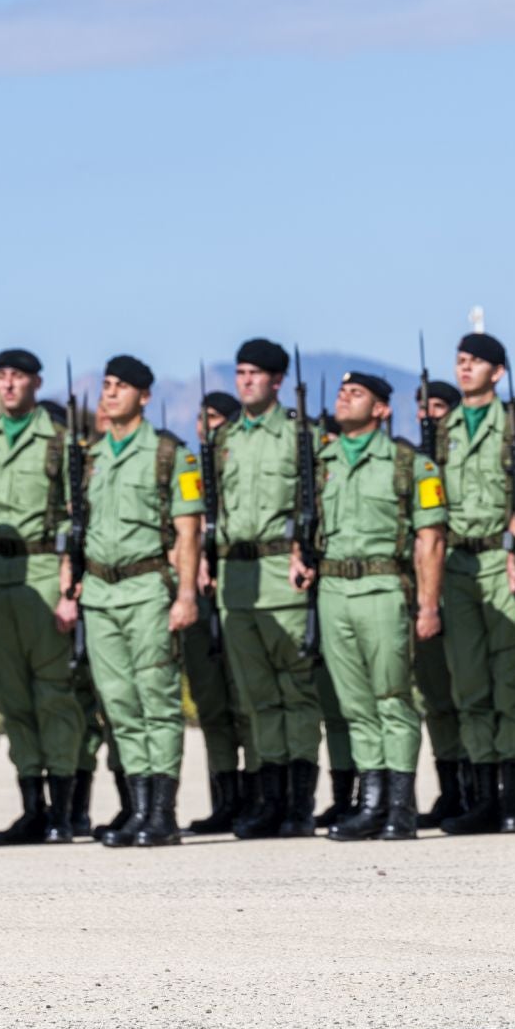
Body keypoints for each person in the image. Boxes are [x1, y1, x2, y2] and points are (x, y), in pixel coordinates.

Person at [55, 356, 204, 847]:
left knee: (156, 700)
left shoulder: (168, 454)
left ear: (144, 395)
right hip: (99, 592)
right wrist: (68, 585)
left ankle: (161, 812)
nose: (110, 392)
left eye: (121, 386)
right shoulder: (92, 456)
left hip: (146, 589)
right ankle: (138, 808)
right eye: (107, 384)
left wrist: (185, 595)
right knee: (118, 703)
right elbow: (75, 527)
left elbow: (187, 530)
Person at [292, 372, 446, 841]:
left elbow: (430, 540)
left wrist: (427, 606)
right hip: (335, 590)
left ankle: (400, 807)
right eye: (341, 392)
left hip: (382, 588)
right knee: (355, 705)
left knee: (392, 699)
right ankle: (372, 803)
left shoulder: (408, 464)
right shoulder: (321, 462)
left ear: (381, 409)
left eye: (356, 393)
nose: (344, 398)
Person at [0, 349, 85, 844]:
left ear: (36, 383)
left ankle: (64, 811)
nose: (8, 385)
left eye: (17, 377)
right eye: (2, 376)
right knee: (11, 701)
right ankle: (32, 807)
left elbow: (76, 518)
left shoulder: (59, 441)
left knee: (53, 695)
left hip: (41, 571)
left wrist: (69, 589)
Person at [214, 340, 320, 839]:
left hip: (282, 572)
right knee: (257, 696)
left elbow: (318, 500)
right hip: (236, 581)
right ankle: (270, 800)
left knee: (294, 691)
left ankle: (300, 805)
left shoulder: (300, 435)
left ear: (278, 380)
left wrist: (310, 554)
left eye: (256, 373)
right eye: (240, 372)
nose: (246, 381)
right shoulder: (224, 438)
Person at [434, 333, 515, 834]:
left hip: (502, 563)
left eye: (474, 361)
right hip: (457, 566)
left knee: (508, 682)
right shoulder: (442, 428)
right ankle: (482, 797)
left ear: (497, 371)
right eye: (459, 361)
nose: (464, 368)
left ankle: (512, 799)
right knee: (469, 681)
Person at [182, 386, 254, 835]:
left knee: (246, 701)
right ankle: (224, 798)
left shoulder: (242, 469)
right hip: (199, 598)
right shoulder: (188, 472)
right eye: (201, 418)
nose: (205, 427)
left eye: (214, 418)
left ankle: (259, 796)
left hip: (239, 594)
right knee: (211, 704)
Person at [411, 378, 467, 827]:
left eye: (436, 406)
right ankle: (451, 787)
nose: (428, 415)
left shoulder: (460, 457)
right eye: (422, 407)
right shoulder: (412, 464)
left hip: (467, 580)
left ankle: (478, 788)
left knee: (467, 690)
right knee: (433, 696)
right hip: (426, 588)